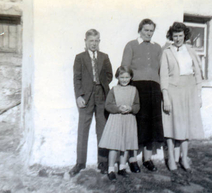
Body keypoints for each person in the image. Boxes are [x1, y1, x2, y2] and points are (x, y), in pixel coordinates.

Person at [160, 22, 204, 174]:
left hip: (190, 90)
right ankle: (171, 158)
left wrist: (199, 94)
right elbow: (164, 76)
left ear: (185, 36)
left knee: (186, 125)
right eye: (175, 36)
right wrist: (165, 95)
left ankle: (184, 157)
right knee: (171, 124)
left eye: (180, 35)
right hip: (173, 90)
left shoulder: (190, 50)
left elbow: (198, 73)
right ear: (171, 36)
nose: (178, 38)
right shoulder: (167, 52)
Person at [121, 18, 164, 173]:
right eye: (146, 30)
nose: (149, 33)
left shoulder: (157, 47)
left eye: (151, 31)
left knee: (151, 125)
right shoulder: (131, 45)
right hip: (137, 87)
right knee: (136, 124)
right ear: (140, 30)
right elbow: (125, 69)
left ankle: (147, 159)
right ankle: (132, 160)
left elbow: (161, 70)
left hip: (154, 88)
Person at [69, 29, 113, 177]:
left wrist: (101, 84)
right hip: (86, 97)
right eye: (91, 41)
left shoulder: (104, 57)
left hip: (101, 96)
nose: (93, 44)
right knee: (83, 130)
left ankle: (103, 162)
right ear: (86, 42)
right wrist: (79, 96)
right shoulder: (80, 58)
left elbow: (109, 74)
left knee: (102, 130)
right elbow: (77, 78)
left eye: (96, 41)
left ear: (99, 42)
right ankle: (80, 163)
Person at [99, 66, 140, 181]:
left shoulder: (134, 90)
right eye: (122, 77)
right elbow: (108, 105)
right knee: (114, 145)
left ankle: (122, 167)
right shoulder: (114, 90)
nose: (124, 80)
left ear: (131, 77)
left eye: (127, 77)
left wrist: (130, 108)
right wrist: (118, 108)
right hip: (116, 119)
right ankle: (111, 169)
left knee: (126, 145)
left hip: (129, 120)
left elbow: (137, 106)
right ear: (117, 77)